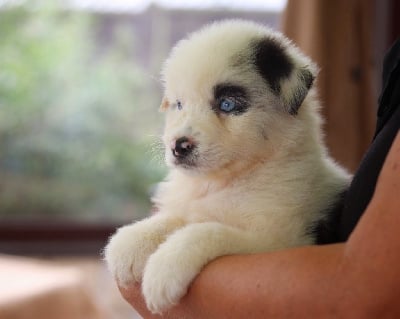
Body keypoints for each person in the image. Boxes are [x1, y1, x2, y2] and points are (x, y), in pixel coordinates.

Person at [117, 39, 400, 319]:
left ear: (288, 98)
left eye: (226, 105)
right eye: (178, 104)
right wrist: (162, 227)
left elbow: (280, 244)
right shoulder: (196, 181)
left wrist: (198, 241)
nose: (182, 136)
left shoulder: (293, 186)